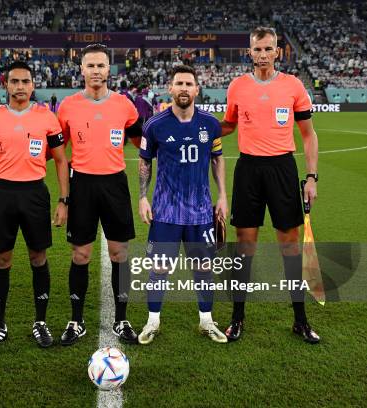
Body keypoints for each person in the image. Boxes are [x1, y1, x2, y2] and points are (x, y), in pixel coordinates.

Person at [221, 27, 320, 343]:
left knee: (290, 245)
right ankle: (237, 319)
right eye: (257, 49)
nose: (262, 54)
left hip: (282, 169)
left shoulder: (293, 86)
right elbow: (229, 125)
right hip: (249, 168)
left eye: (268, 49)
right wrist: (196, 125)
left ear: (278, 51)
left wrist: (311, 177)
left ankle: (300, 321)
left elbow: (308, 134)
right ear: (249, 52)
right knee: (244, 244)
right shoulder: (237, 86)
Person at [0, 61, 69, 352]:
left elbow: (62, 160)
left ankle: (40, 323)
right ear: (6, 84)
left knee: (38, 257)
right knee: (1, 260)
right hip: (1, 193)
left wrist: (64, 200)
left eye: (25, 81)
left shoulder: (47, 118)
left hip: (35, 193)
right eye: (14, 81)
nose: (20, 87)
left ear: (33, 85)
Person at [57, 44, 143, 346]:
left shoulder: (125, 105)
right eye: (90, 66)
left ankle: (121, 319)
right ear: (81, 69)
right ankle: (76, 320)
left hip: (115, 184)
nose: (96, 71)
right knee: (81, 254)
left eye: (101, 66)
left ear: (110, 69)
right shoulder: (67, 106)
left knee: (120, 253)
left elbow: (139, 141)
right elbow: (58, 151)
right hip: (82, 185)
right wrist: (63, 198)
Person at [136, 65, 228, 345]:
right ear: (170, 88)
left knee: (203, 268)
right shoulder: (155, 124)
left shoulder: (211, 123)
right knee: (160, 268)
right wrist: (142, 197)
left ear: (197, 89)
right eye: (180, 83)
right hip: (165, 212)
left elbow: (217, 158)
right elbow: (144, 162)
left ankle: (206, 321)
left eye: (189, 83)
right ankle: (153, 322)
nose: (184, 88)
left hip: (201, 212)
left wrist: (222, 195)